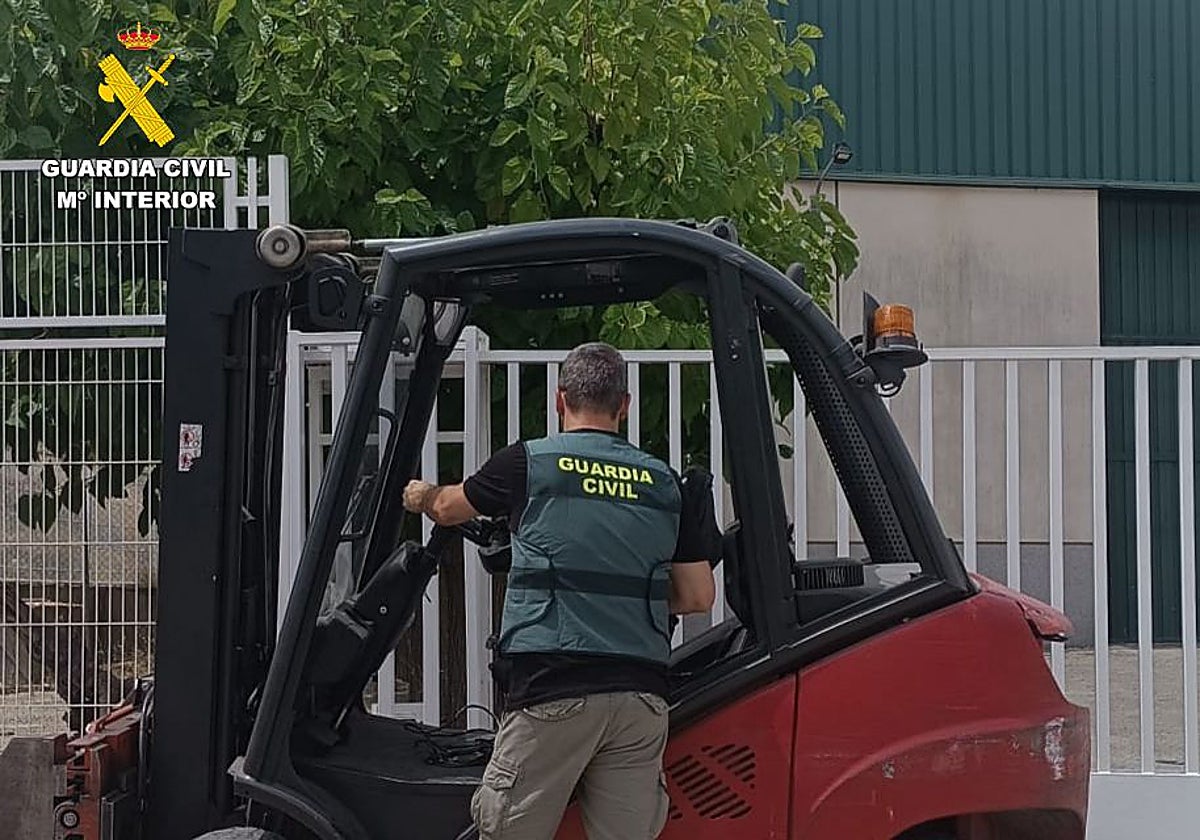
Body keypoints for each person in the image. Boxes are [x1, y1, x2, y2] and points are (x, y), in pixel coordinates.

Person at [403, 341, 717, 840]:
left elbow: (449, 509)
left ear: (559, 400)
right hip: (639, 695)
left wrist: (420, 494)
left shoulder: (530, 463)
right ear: (624, 406)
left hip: (555, 686)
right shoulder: (662, 482)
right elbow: (699, 596)